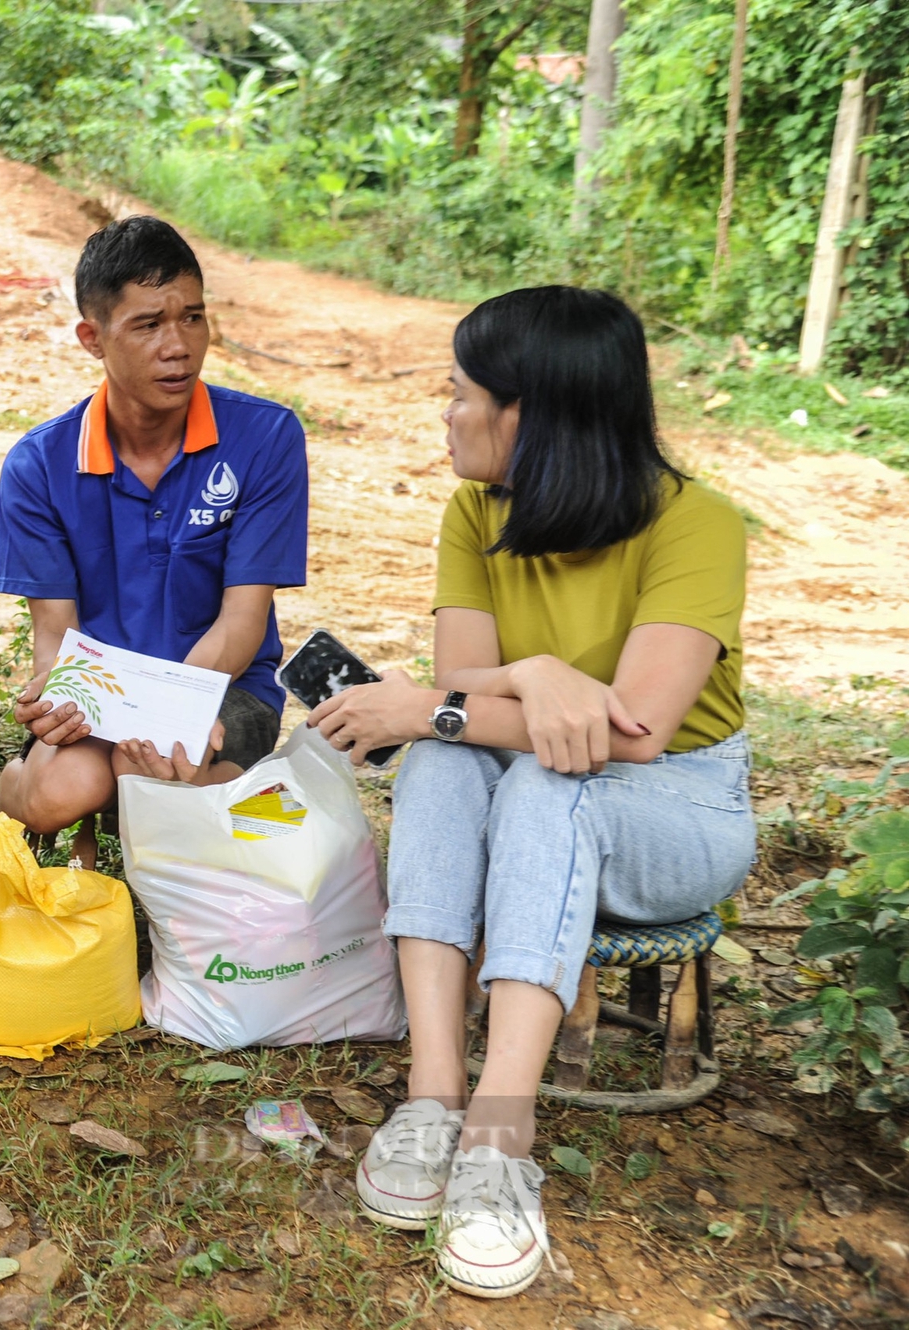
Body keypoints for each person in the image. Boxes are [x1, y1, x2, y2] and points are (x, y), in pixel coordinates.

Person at [310, 286, 754, 1298]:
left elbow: (630, 735)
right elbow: (461, 687)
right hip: (529, 773)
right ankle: (432, 1096)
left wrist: (465, 698)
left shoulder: (695, 523)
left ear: (532, 414)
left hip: (674, 807)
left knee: (552, 785)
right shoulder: (474, 510)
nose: (445, 412)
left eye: (461, 392)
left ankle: (498, 1138)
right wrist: (535, 675)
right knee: (442, 756)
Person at [0, 217, 307, 864]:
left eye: (192, 318)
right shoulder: (39, 465)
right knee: (61, 792)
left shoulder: (266, 439)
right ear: (92, 337)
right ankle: (12, 792)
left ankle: (207, 805)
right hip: (102, 695)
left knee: (167, 786)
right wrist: (57, 694)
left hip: (224, 689)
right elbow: (55, 638)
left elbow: (242, 626)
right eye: (148, 324)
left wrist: (170, 715)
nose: (179, 346)